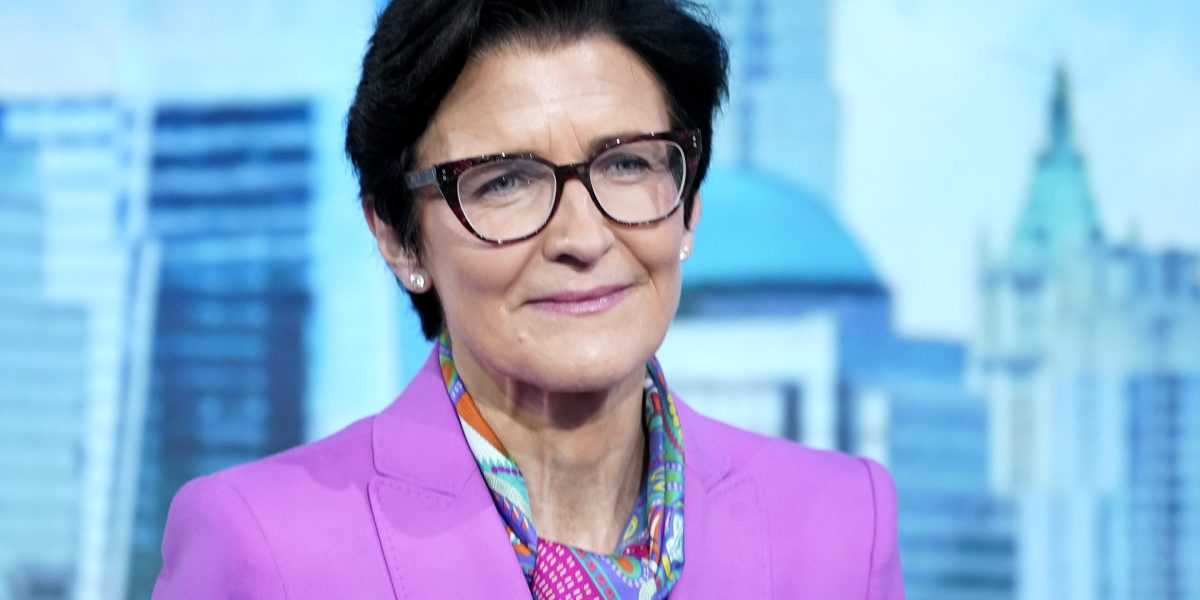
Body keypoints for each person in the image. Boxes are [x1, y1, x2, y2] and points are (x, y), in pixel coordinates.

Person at [153, 0, 905, 598]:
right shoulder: (265, 547)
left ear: (689, 205)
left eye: (628, 164)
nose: (583, 237)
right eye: (505, 181)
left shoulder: (841, 525)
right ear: (398, 238)